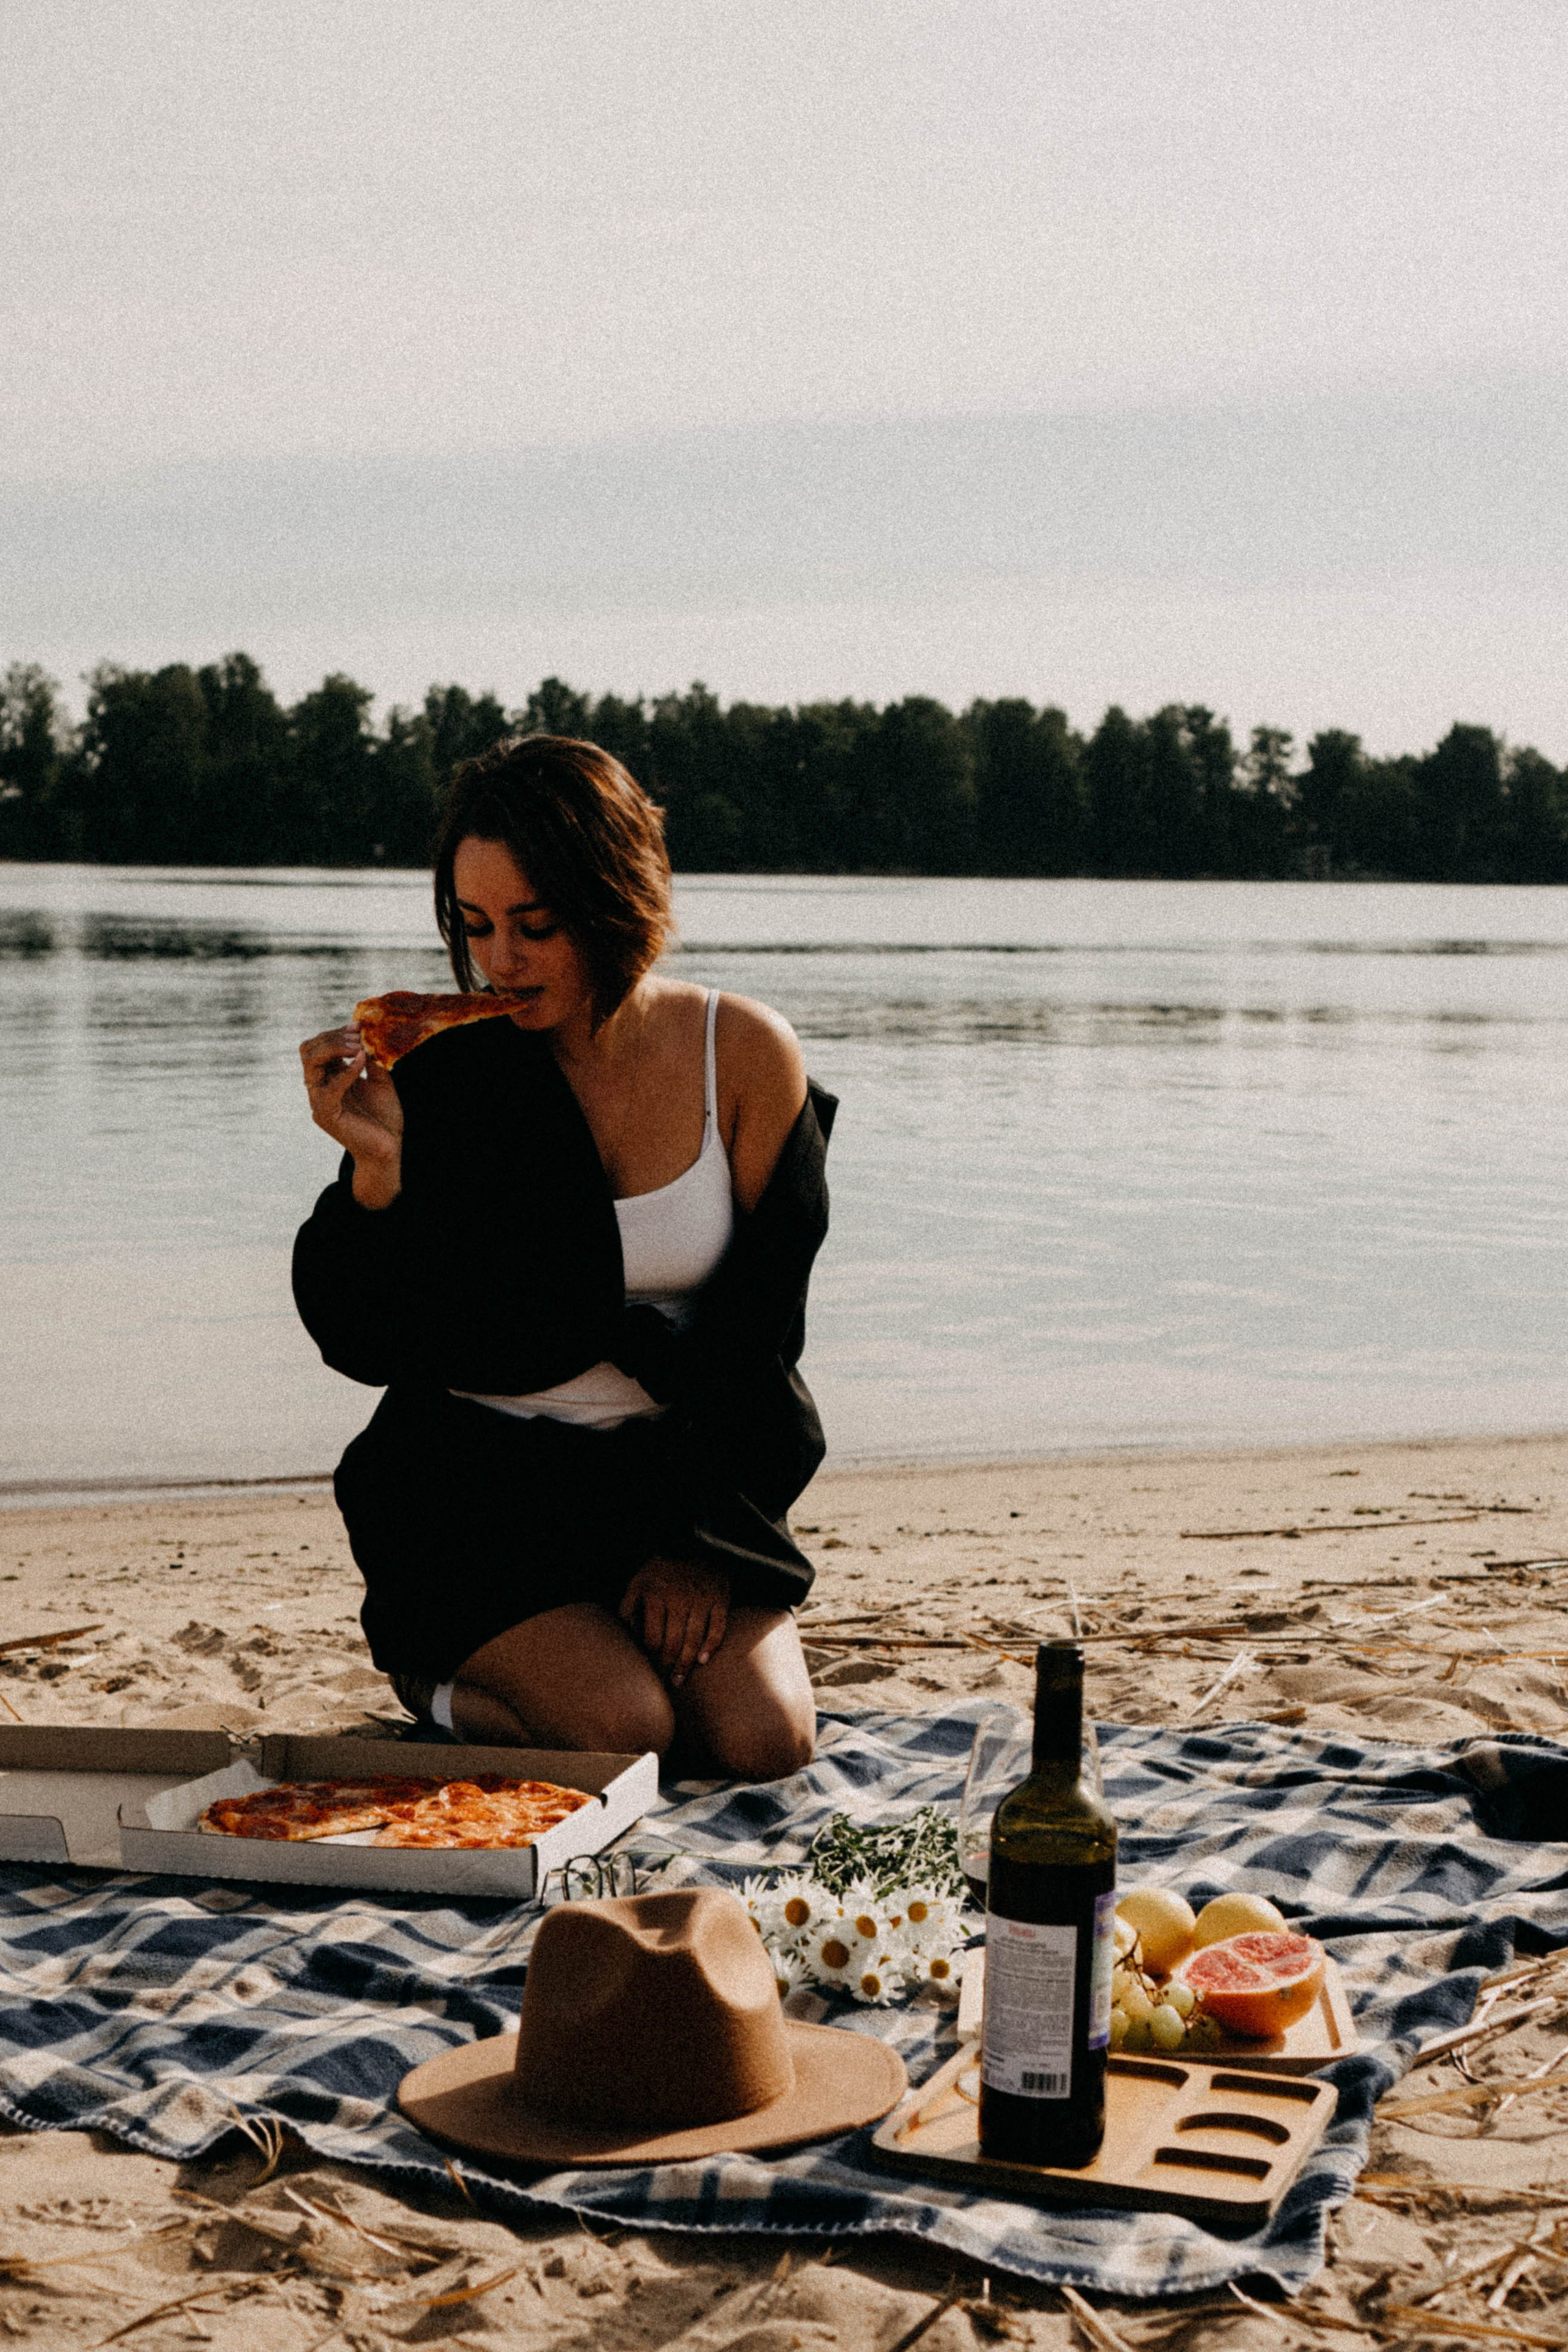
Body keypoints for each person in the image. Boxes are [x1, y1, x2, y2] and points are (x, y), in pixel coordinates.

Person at [293, 735, 831, 1783]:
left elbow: (764, 1331)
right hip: (474, 1488)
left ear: (618, 897)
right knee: (626, 1736)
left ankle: (610, 1641)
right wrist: (376, 1172)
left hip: (669, 1480)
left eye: (536, 926)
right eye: (475, 924)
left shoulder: (746, 1055)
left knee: (765, 1743)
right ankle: (435, 1682)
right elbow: (361, 1339)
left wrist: (703, 1546)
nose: (499, 961)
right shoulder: (438, 1066)